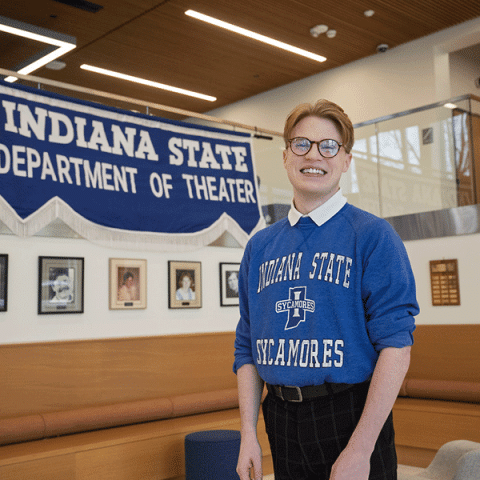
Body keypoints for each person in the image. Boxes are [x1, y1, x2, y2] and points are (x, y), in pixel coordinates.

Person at [233, 99, 419, 480]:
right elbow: (246, 347)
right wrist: (247, 434)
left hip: (350, 413)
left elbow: (397, 347)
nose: (313, 155)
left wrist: (361, 447)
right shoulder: (260, 247)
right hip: (281, 416)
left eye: (328, 146)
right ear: (286, 156)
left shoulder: (372, 236)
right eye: (301, 144)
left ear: (346, 160)